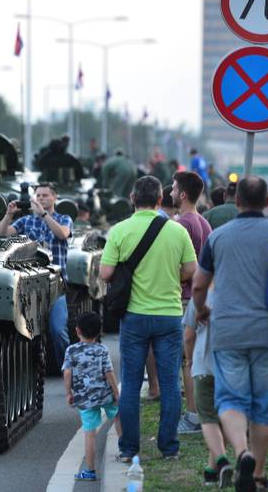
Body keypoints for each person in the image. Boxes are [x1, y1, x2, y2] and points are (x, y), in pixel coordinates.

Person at [192, 176, 268, 492]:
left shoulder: (218, 237)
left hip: (227, 330)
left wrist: (202, 309)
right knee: (263, 404)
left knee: (230, 398)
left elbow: (199, 284)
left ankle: (241, 453)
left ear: (238, 202)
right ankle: (257, 474)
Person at [100, 175, 197, 462]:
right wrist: (173, 279)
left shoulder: (119, 230)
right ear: (159, 200)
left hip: (134, 316)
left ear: (132, 199)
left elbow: (105, 274)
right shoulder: (177, 231)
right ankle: (169, 448)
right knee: (170, 384)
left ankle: (129, 449)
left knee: (130, 384)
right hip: (169, 316)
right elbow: (191, 269)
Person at [0, 183, 73, 367]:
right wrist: (8, 215)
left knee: (58, 329)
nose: (40, 199)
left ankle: (70, 368)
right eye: (38, 196)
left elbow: (62, 234)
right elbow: (1, 235)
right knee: (24, 331)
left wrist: (44, 215)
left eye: (45, 195)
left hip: (55, 284)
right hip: (30, 284)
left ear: (54, 197)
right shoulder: (26, 221)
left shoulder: (64, 218)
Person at [171, 171, 212, 436]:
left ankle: (193, 415)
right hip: (203, 296)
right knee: (199, 357)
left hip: (186, 296)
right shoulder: (204, 222)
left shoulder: (180, 224)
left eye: (174, 189)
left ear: (183, 194)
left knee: (188, 360)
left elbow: (179, 266)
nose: (171, 192)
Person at [62, 311, 121, 482]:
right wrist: (116, 392)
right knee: (118, 415)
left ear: (77, 331)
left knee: (90, 433)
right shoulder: (102, 349)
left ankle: (90, 471)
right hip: (104, 394)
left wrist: (68, 393)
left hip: (84, 398)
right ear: (98, 332)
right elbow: (109, 372)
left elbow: (67, 373)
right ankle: (124, 451)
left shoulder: (71, 350)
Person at [183, 288, 233, 487]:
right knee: (226, 419)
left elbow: (188, 336)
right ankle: (211, 472)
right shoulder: (238, 293)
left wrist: (189, 360)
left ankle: (221, 461)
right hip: (231, 368)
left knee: (208, 419)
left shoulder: (200, 295)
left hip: (204, 366)